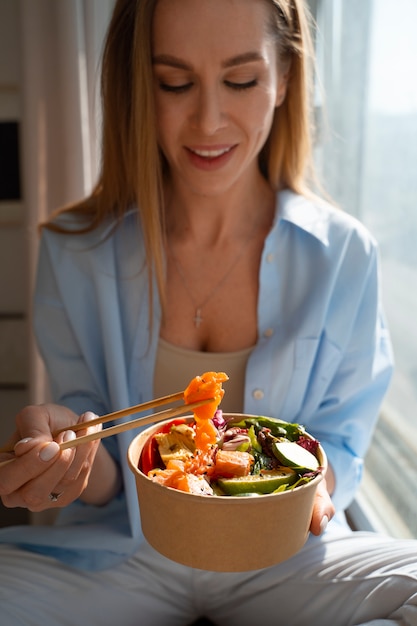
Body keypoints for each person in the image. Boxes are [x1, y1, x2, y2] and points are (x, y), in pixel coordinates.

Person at [0, 0, 416, 624]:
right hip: (124, 554)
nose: (209, 119)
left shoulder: (342, 254)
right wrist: (69, 445)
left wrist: (308, 488)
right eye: (175, 82)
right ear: (139, 86)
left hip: (286, 554)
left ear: (284, 80)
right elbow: (106, 465)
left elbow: (340, 443)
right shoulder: (74, 250)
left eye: (242, 80)